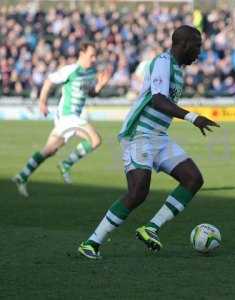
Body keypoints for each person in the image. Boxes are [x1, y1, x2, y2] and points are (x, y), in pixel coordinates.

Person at [78, 25, 219, 259]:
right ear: (182, 45)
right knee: (138, 191)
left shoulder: (179, 70)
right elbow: (158, 101)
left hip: (159, 136)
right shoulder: (162, 62)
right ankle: (92, 243)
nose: (199, 52)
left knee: (193, 179)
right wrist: (193, 118)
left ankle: (151, 228)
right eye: (196, 46)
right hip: (140, 134)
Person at [12, 42, 112, 197]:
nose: (93, 59)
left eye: (95, 56)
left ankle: (23, 175)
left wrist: (100, 86)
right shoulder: (71, 70)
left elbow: (89, 92)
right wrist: (42, 102)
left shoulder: (91, 72)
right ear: (82, 53)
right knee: (95, 140)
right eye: (91, 55)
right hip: (67, 116)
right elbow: (49, 81)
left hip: (72, 118)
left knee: (50, 150)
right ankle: (66, 164)